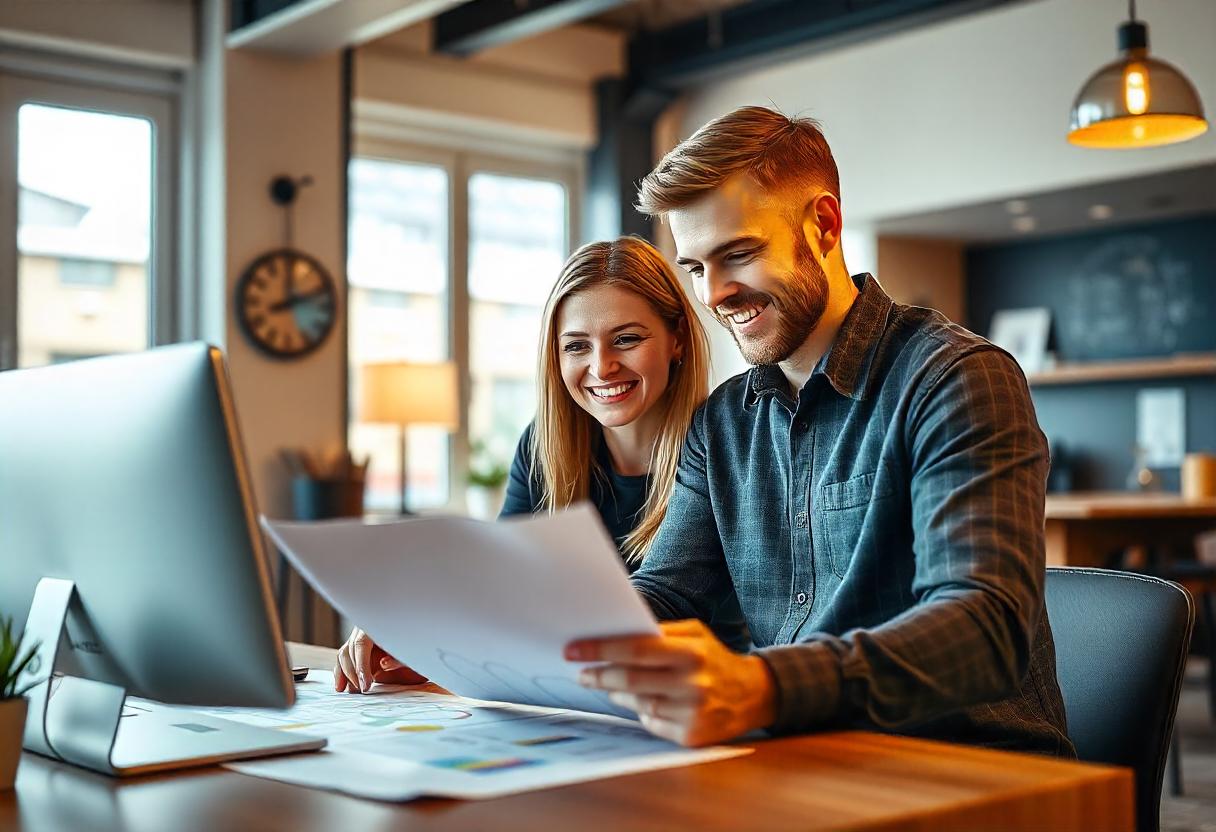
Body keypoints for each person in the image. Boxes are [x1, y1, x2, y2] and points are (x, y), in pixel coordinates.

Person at [567, 106, 1076, 757]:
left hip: (975, 773)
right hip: (804, 759)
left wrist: (764, 686)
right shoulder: (721, 425)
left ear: (825, 226)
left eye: (739, 254)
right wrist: (474, 650)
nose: (715, 293)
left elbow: (983, 628)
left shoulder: (957, 379)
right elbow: (664, 595)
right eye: (695, 268)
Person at [334, 237, 714, 693]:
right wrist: (415, 636)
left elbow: (661, 614)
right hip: (574, 703)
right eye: (576, 346)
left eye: (627, 339)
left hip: (698, 707)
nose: (603, 366)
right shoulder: (545, 447)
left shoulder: (721, 445)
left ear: (676, 341)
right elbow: (500, 590)